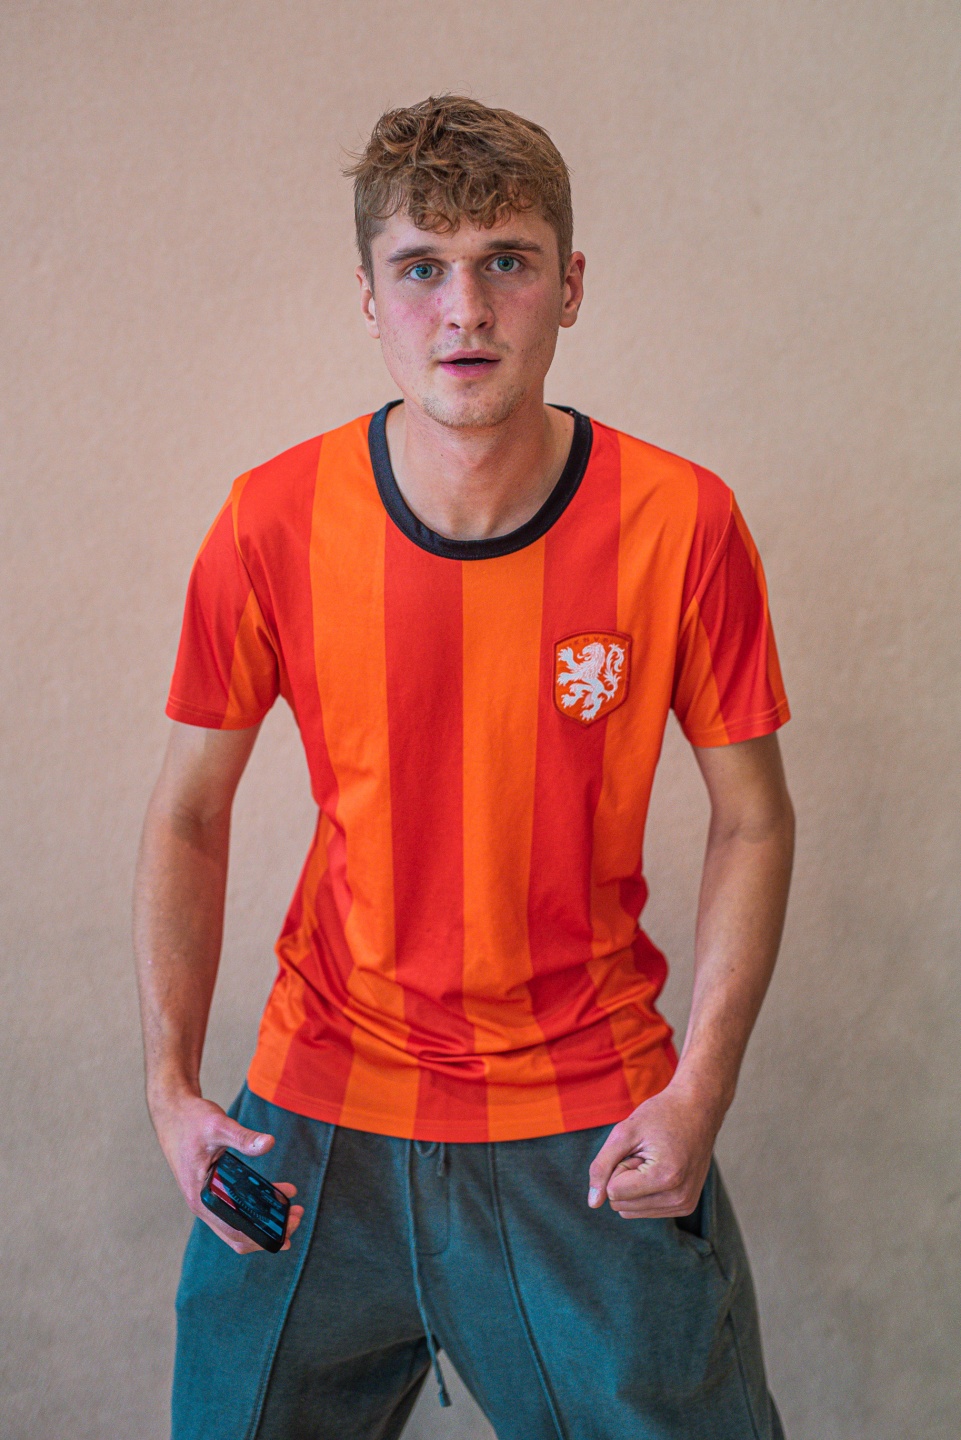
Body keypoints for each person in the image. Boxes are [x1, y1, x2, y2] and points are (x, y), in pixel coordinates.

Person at [134, 94, 795, 1440]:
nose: (466, 310)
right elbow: (191, 810)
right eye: (421, 268)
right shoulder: (271, 521)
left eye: (507, 260)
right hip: (318, 1119)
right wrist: (171, 1086)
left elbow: (753, 821)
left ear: (571, 285)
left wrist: (703, 1087)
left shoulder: (684, 521)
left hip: (587, 1122)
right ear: (367, 298)